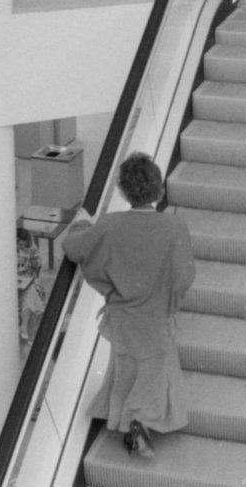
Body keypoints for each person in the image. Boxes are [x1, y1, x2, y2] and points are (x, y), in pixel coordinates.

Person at [63, 152, 195, 458]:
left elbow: (74, 248)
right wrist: (169, 305)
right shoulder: (174, 227)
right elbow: (184, 276)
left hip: (122, 315)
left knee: (126, 367)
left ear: (123, 190)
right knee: (153, 371)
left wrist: (81, 223)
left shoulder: (110, 225)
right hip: (157, 315)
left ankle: (124, 416)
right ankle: (138, 424)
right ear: (159, 189)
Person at [16, 226, 45, 343]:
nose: (23, 248)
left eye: (24, 245)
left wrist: (28, 262)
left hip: (28, 278)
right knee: (31, 293)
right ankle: (30, 326)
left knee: (30, 291)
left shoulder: (31, 247)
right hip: (11, 280)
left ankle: (25, 327)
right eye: (20, 245)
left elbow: (39, 262)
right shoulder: (5, 247)